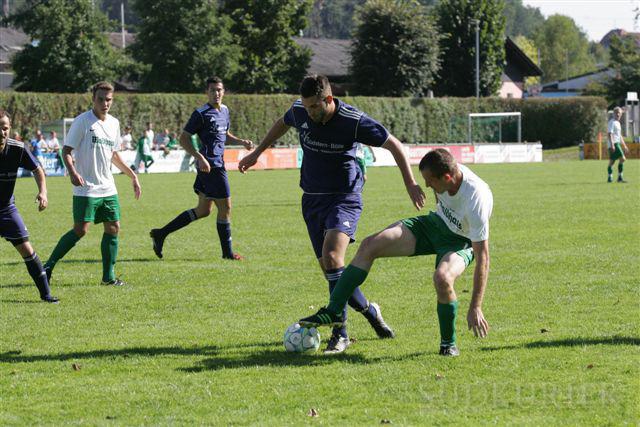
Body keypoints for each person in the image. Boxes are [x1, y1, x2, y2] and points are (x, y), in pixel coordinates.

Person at [239, 74, 425, 353]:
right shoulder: (301, 110)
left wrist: (410, 183)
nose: (309, 112)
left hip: (344, 197)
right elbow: (283, 122)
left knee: (333, 256)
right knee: (332, 271)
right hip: (312, 199)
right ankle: (371, 312)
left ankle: (341, 332)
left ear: (328, 99)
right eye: (306, 106)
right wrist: (258, 153)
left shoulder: (354, 121)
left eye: (315, 106)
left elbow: (394, 144)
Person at [300, 149, 493, 357]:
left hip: (460, 241)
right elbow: (440, 198)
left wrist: (476, 306)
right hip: (433, 225)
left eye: (430, 181)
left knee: (443, 278)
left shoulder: (476, 197)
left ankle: (449, 344)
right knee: (370, 245)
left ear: (447, 177)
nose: (427, 186)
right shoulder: (446, 175)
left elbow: (483, 256)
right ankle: (334, 311)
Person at [44, 82, 141, 286]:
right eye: (101, 99)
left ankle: (108, 277)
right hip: (86, 187)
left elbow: (114, 154)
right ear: (93, 99)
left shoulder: (114, 123)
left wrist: (132, 175)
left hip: (108, 187)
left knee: (114, 227)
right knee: (80, 230)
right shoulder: (82, 121)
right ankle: (48, 267)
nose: (105, 103)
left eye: (108, 99)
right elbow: (66, 151)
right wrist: (72, 172)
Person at [150, 76, 253, 261]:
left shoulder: (225, 111)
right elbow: (184, 138)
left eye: (219, 90)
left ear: (224, 91)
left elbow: (224, 135)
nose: (217, 93)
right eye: (213, 90)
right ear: (207, 92)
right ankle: (227, 253)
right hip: (211, 167)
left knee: (204, 210)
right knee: (226, 207)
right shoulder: (201, 113)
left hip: (215, 165)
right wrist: (199, 157)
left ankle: (161, 233)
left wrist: (241, 142)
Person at [0, 110, 58, 303]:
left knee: (27, 249)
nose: (2, 132)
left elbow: (37, 169)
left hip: (6, 209)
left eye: (5, 127)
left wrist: (43, 192)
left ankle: (46, 294)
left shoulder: (17, 148)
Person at [607, 107, 629, 183]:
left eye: (619, 113)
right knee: (622, 159)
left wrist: (624, 145)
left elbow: (620, 136)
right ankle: (619, 178)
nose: (618, 114)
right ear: (614, 114)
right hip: (614, 143)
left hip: (617, 143)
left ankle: (610, 177)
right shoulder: (612, 122)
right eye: (616, 113)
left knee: (612, 162)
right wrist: (612, 144)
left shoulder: (618, 123)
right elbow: (610, 134)